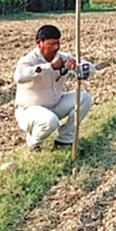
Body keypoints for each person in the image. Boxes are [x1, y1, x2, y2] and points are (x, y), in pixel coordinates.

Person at [13, 24, 94, 153]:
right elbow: (19, 77)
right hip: (29, 111)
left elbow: (90, 68)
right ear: (39, 43)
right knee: (50, 121)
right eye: (51, 44)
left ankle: (65, 140)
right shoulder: (28, 60)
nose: (56, 47)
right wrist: (49, 67)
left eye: (58, 43)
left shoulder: (62, 57)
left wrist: (78, 67)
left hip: (55, 104)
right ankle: (33, 143)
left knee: (85, 98)